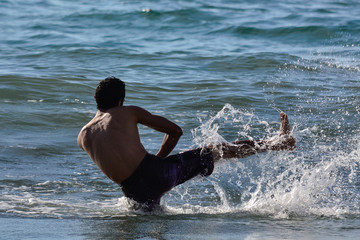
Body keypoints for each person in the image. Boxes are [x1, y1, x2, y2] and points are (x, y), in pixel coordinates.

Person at [77, 77, 296, 211]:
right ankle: (279, 143)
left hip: (133, 192)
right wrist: (160, 159)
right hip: (156, 173)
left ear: (96, 100)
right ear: (120, 101)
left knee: (155, 225)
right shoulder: (126, 112)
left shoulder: (83, 136)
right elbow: (175, 131)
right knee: (216, 150)